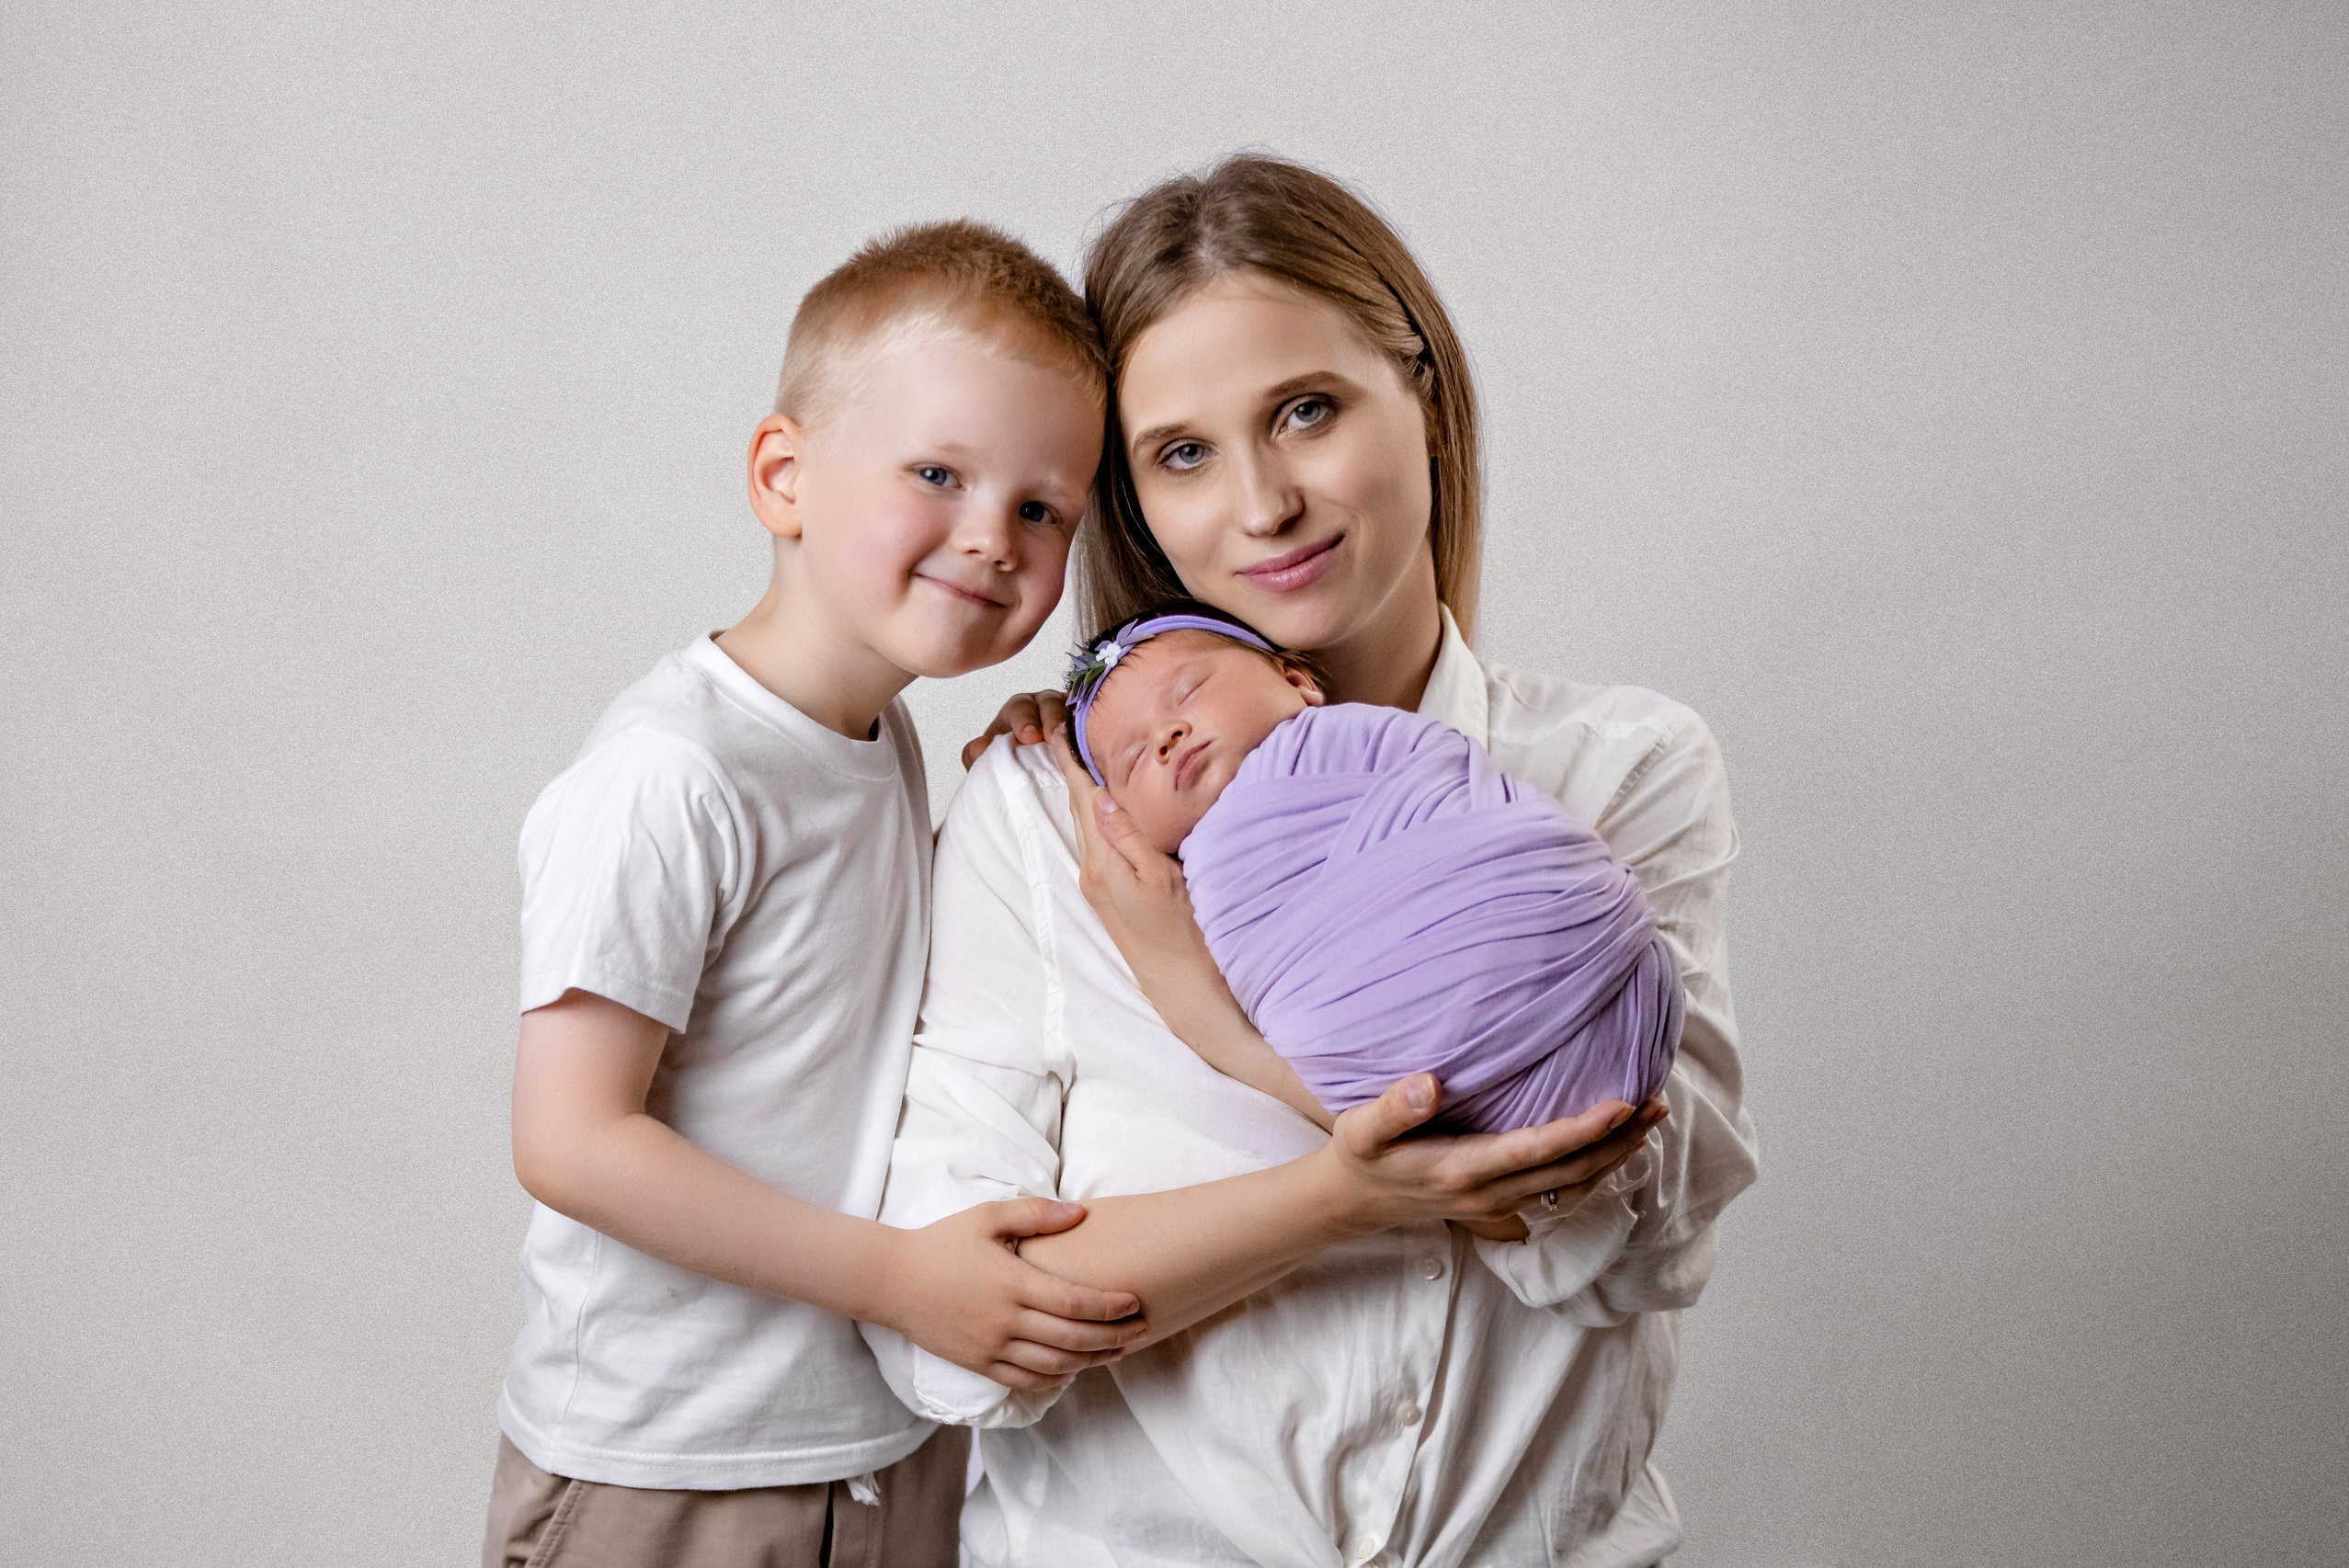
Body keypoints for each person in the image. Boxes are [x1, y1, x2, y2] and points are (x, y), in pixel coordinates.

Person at [865, 155, 1758, 1566]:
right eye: (1181, 453)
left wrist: (1225, 1026)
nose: (1265, 502)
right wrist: (1337, 1193)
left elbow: (1640, 1246)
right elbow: (963, 1344)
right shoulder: (1047, 817)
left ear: (1427, 398)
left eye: (1306, 410)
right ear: (1132, 502)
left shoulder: (1618, 768)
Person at [480, 221, 1151, 1568]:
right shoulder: (673, 773)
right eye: (937, 473)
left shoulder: (881, 735)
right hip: (668, 1464)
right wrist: (903, 1280)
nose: (991, 537)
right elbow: (572, 1139)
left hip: (880, 1443)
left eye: (1041, 509)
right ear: (784, 477)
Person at [1064, 602, 1682, 1142]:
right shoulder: (1198, 889)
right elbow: (1274, 978)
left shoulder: (1357, 742)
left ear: (1297, 681)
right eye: (1135, 757)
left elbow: (1458, 791)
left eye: (1190, 691)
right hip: (1446, 1089)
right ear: (1123, 820)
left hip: (1596, 975)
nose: (1167, 738)